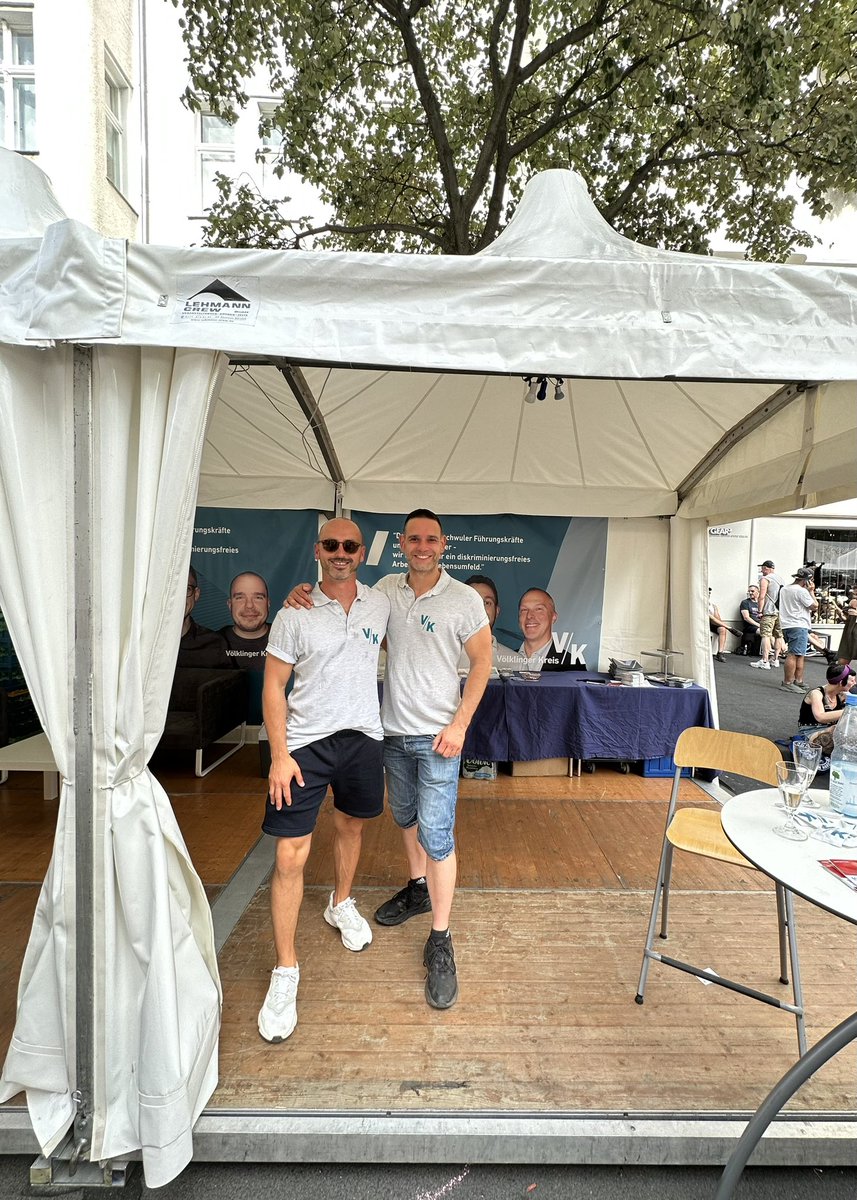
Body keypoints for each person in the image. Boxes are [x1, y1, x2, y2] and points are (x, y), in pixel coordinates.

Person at [286, 508, 493, 1010]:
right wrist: (302, 592)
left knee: (438, 834)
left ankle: (440, 939)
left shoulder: (464, 599)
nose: (422, 546)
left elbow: (483, 660)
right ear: (401, 543)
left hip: (440, 737)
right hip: (390, 733)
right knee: (404, 818)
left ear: (444, 545)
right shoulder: (383, 592)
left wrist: (460, 724)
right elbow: (339, 595)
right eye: (414, 538)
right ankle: (417, 887)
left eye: (431, 539)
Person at [257, 519, 390, 1044]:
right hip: (305, 746)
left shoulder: (380, 603)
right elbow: (272, 685)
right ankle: (285, 969)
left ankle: (341, 903)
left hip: (363, 737)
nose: (340, 553)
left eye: (349, 546)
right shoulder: (296, 610)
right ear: (318, 551)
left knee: (352, 827)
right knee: (291, 853)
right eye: (331, 545)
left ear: (361, 553)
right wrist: (279, 755)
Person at [457, 574, 526, 674]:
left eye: (487, 603)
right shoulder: (442, 657)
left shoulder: (517, 663)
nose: (480, 609)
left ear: (497, 611)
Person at [518, 588, 586, 670]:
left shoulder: (571, 664)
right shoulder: (503, 659)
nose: (529, 616)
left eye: (538, 609)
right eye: (524, 610)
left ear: (553, 617)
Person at [176, 566, 231, 668]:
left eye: (187, 589)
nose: (179, 597)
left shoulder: (215, 645)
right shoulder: (142, 643)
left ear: (196, 594)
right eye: (172, 590)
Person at [797, 663, 855, 757]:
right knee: (830, 739)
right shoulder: (816, 693)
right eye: (852, 681)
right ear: (841, 683)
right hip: (810, 731)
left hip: (833, 729)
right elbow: (820, 716)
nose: (854, 683)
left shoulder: (842, 695)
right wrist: (849, 710)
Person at [778, 566, 818, 693]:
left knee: (799, 654)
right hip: (798, 624)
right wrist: (812, 592)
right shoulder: (802, 592)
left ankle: (798, 680)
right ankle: (788, 682)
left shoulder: (785, 589)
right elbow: (815, 606)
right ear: (807, 580)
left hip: (787, 624)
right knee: (794, 654)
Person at [220, 571, 271, 670]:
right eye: (240, 598)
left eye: (258, 597)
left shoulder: (289, 642)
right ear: (230, 605)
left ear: (268, 604)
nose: (249, 605)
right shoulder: (211, 644)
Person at [751, 560, 786, 670]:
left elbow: (761, 596)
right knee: (778, 636)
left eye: (762, 568)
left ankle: (765, 660)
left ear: (766, 568)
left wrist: (760, 611)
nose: (761, 571)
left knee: (765, 635)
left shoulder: (765, 579)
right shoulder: (780, 579)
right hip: (780, 611)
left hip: (769, 611)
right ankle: (775, 659)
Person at [708, 589, 741, 662]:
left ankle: (720, 653)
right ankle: (730, 629)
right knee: (724, 627)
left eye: (709, 593)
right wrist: (730, 628)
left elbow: (717, 619)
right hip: (704, 623)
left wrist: (715, 610)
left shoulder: (713, 606)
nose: (708, 594)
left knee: (722, 629)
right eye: (707, 593)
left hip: (712, 624)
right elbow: (712, 619)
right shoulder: (701, 605)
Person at [835, 586, 857, 666]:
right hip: (848, 634)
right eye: (853, 594)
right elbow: (848, 619)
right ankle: (843, 677)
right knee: (842, 661)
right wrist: (841, 615)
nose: (854, 596)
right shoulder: (853, 602)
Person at [738, 585, 761, 657]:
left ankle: (781, 651)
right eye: (749, 591)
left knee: (772, 633)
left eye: (752, 591)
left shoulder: (761, 602)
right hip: (750, 626)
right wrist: (759, 625)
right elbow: (746, 618)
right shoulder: (745, 602)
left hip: (762, 624)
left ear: (758, 592)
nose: (750, 593)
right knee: (764, 632)